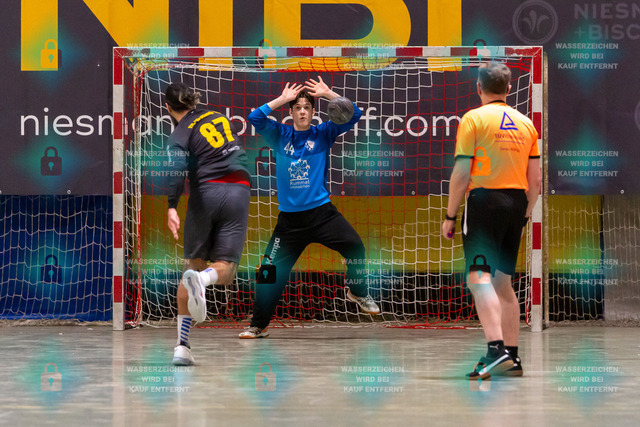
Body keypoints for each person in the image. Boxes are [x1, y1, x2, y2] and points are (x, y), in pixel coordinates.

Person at [239, 76, 380, 339]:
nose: (302, 111)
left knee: (355, 247)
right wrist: (282, 99)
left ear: (313, 112)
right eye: (297, 108)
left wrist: (328, 94)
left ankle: (357, 292)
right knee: (268, 272)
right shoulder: (279, 134)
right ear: (291, 113)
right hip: (289, 223)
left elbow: (355, 114)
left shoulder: (323, 133)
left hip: (322, 215)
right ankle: (257, 325)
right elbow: (254, 117)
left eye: (306, 107)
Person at [442, 62, 541, 379]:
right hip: (516, 204)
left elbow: (461, 173)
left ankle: (495, 351)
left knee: (479, 278)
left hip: (483, 203)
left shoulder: (473, 119)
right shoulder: (527, 124)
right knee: (502, 283)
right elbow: (536, 182)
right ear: (508, 89)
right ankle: (512, 356)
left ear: (479, 88)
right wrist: (524, 216)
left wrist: (450, 215)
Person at [164, 82, 251, 365]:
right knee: (226, 268)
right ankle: (204, 281)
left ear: (168, 108)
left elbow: (176, 170)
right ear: (193, 101)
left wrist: (172, 206)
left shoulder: (179, 134)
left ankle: (182, 346)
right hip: (239, 188)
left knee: (192, 265)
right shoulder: (219, 117)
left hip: (206, 193)